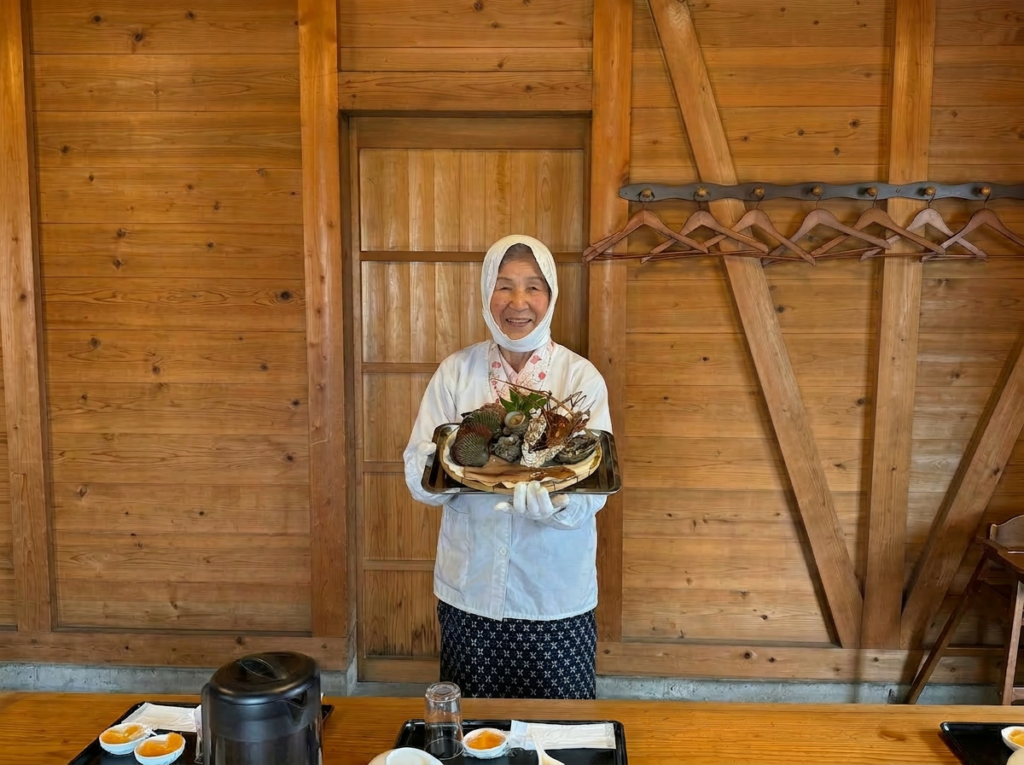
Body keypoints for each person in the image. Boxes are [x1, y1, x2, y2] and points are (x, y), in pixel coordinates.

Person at [403, 234, 612, 700]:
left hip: (553, 595)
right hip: (470, 589)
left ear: (551, 294)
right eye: (504, 286)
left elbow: (595, 487)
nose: (519, 303)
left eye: (533, 287)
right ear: (485, 293)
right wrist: (449, 475)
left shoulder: (580, 379)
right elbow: (419, 466)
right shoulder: (456, 372)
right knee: (476, 731)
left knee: (558, 734)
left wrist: (554, 507)